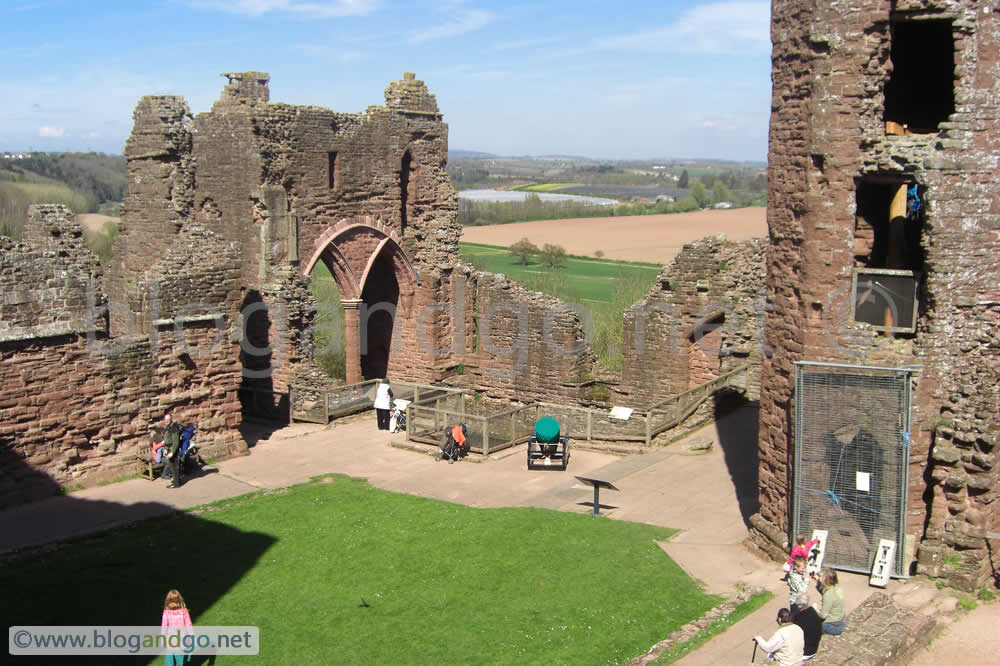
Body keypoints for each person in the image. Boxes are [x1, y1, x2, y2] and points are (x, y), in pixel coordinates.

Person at [161, 588, 193, 665]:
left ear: (168, 600)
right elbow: (189, 626)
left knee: (171, 662)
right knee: (180, 661)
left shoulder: (166, 612)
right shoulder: (184, 612)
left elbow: (164, 627)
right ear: (179, 599)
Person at [814, 567, 846, 635]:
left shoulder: (828, 595)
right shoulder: (836, 586)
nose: (819, 578)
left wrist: (815, 608)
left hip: (832, 625)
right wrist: (818, 582)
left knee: (810, 624)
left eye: (820, 577)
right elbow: (824, 592)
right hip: (840, 620)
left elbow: (823, 616)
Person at [163, 414, 183, 489]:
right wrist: (166, 448)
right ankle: (177, 480)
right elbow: (168, 439)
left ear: (171, 419)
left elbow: (175, 441)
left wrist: (172, 452)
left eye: (168, 419)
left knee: (174, 466)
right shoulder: (168, 427)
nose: (166, 420)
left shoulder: (174, 428)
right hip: (169, 449)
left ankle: (176, 483)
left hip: (173, 450)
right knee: (172, 466)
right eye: (165, 419)